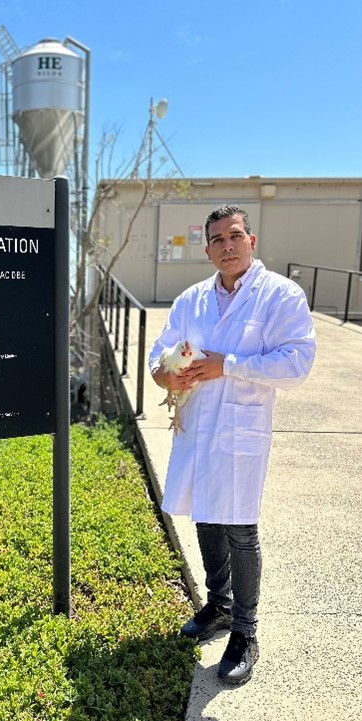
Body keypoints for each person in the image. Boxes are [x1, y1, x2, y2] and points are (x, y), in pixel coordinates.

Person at [148, 204, 316, 685]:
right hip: (198, 425)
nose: (227, 245)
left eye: (235, 235)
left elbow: (296, 362)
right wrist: (165, 377)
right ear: (207, 249)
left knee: (240, 527)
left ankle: (245, 630)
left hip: (242, 429)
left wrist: (230, 364)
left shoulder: (280, 296)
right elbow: (163, 353)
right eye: (218, 239)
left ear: (252, 241)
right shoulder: (192, 300)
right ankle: (218, 606)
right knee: (205, 514)